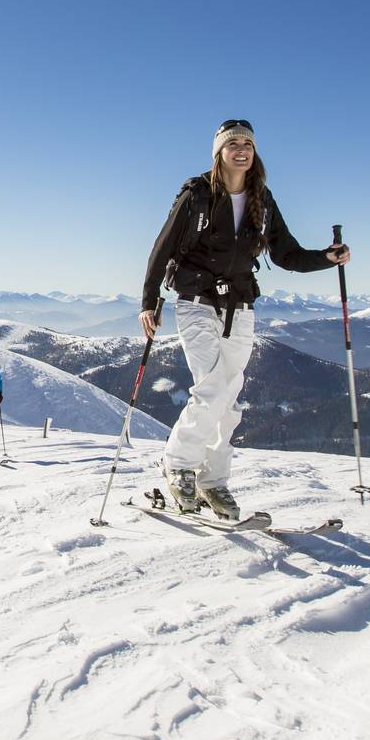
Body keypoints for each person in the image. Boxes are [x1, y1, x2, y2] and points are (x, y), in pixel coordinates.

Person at [138, 119, 351, 519]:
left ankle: (213, 482)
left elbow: (286, 254)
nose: (242, 150)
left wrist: (326, 258)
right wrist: (149, 302)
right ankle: (178, 464)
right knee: (212, 389)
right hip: (196, 303)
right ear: (218, 152)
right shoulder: (197, 195)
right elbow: (162, 248)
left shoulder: (261, 199)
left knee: (230, 401)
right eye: (232, 143)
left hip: (241, 307)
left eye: (248, 144)